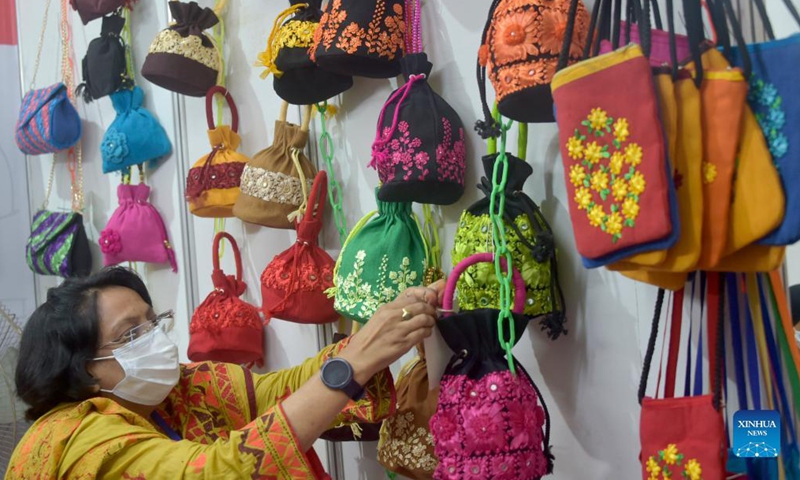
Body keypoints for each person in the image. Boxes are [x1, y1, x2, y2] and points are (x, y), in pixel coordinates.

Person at [7, 267, 443, 479]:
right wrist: (357, 361)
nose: (156, 338)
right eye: (132, 333)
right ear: (86, 371)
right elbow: (214, 472)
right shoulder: (78, 443)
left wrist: (388, 330)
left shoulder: (175, 392)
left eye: (153, 320)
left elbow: (283, 391)